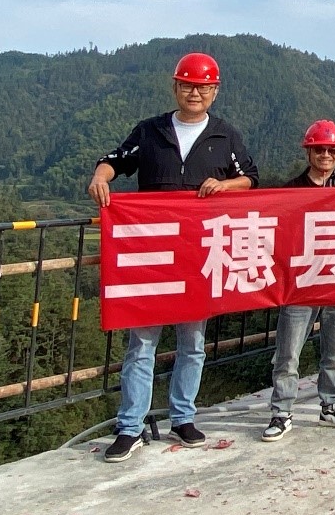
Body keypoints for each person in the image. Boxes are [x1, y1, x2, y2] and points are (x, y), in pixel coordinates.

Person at [88, 52, 259, 463]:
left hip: (198, 255)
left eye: (203, 87)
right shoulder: (150, 131)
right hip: (152, 252)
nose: (195, 93)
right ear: (175, 87)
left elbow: (251, 178)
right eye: (187, 85)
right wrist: (99, 178)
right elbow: (115, 161)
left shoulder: (224, 135)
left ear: (215, 91)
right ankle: (130, 427)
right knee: (141, 344)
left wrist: (225, 186)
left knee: (193, 343)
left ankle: (183, 417)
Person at [262, 120, 335, 441]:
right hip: (301, 282)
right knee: (288, 352)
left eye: (332, 150)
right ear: (309, 152)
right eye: (320, 149)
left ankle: (331, 404)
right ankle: (282, 411)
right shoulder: (291, 190)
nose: (326, 155)